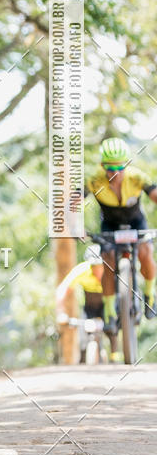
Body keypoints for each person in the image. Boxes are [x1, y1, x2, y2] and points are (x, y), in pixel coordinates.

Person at [84, 137, 157, 335]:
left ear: (127, 165)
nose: (114, 173)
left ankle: (150, 294)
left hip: (136, 222)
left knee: (145, 251)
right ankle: (110, 312)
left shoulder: (137, 178)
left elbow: (155, 195)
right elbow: (72, 204)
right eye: (109, 168)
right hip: (110, 225)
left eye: (119, 168)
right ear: (101, 165)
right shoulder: (93, 180)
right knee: (107, 261)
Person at [56, 245, 106, 361]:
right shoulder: (82, 270)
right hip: (89, 308)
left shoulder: (112, 270)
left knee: (112, 332)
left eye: (100, 266)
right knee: (83, 338)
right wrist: (61, 313)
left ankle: (115, 359)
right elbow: (62, 290)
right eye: (94, 266)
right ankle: (83, 359)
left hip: (108, 307)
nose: (98, 270)